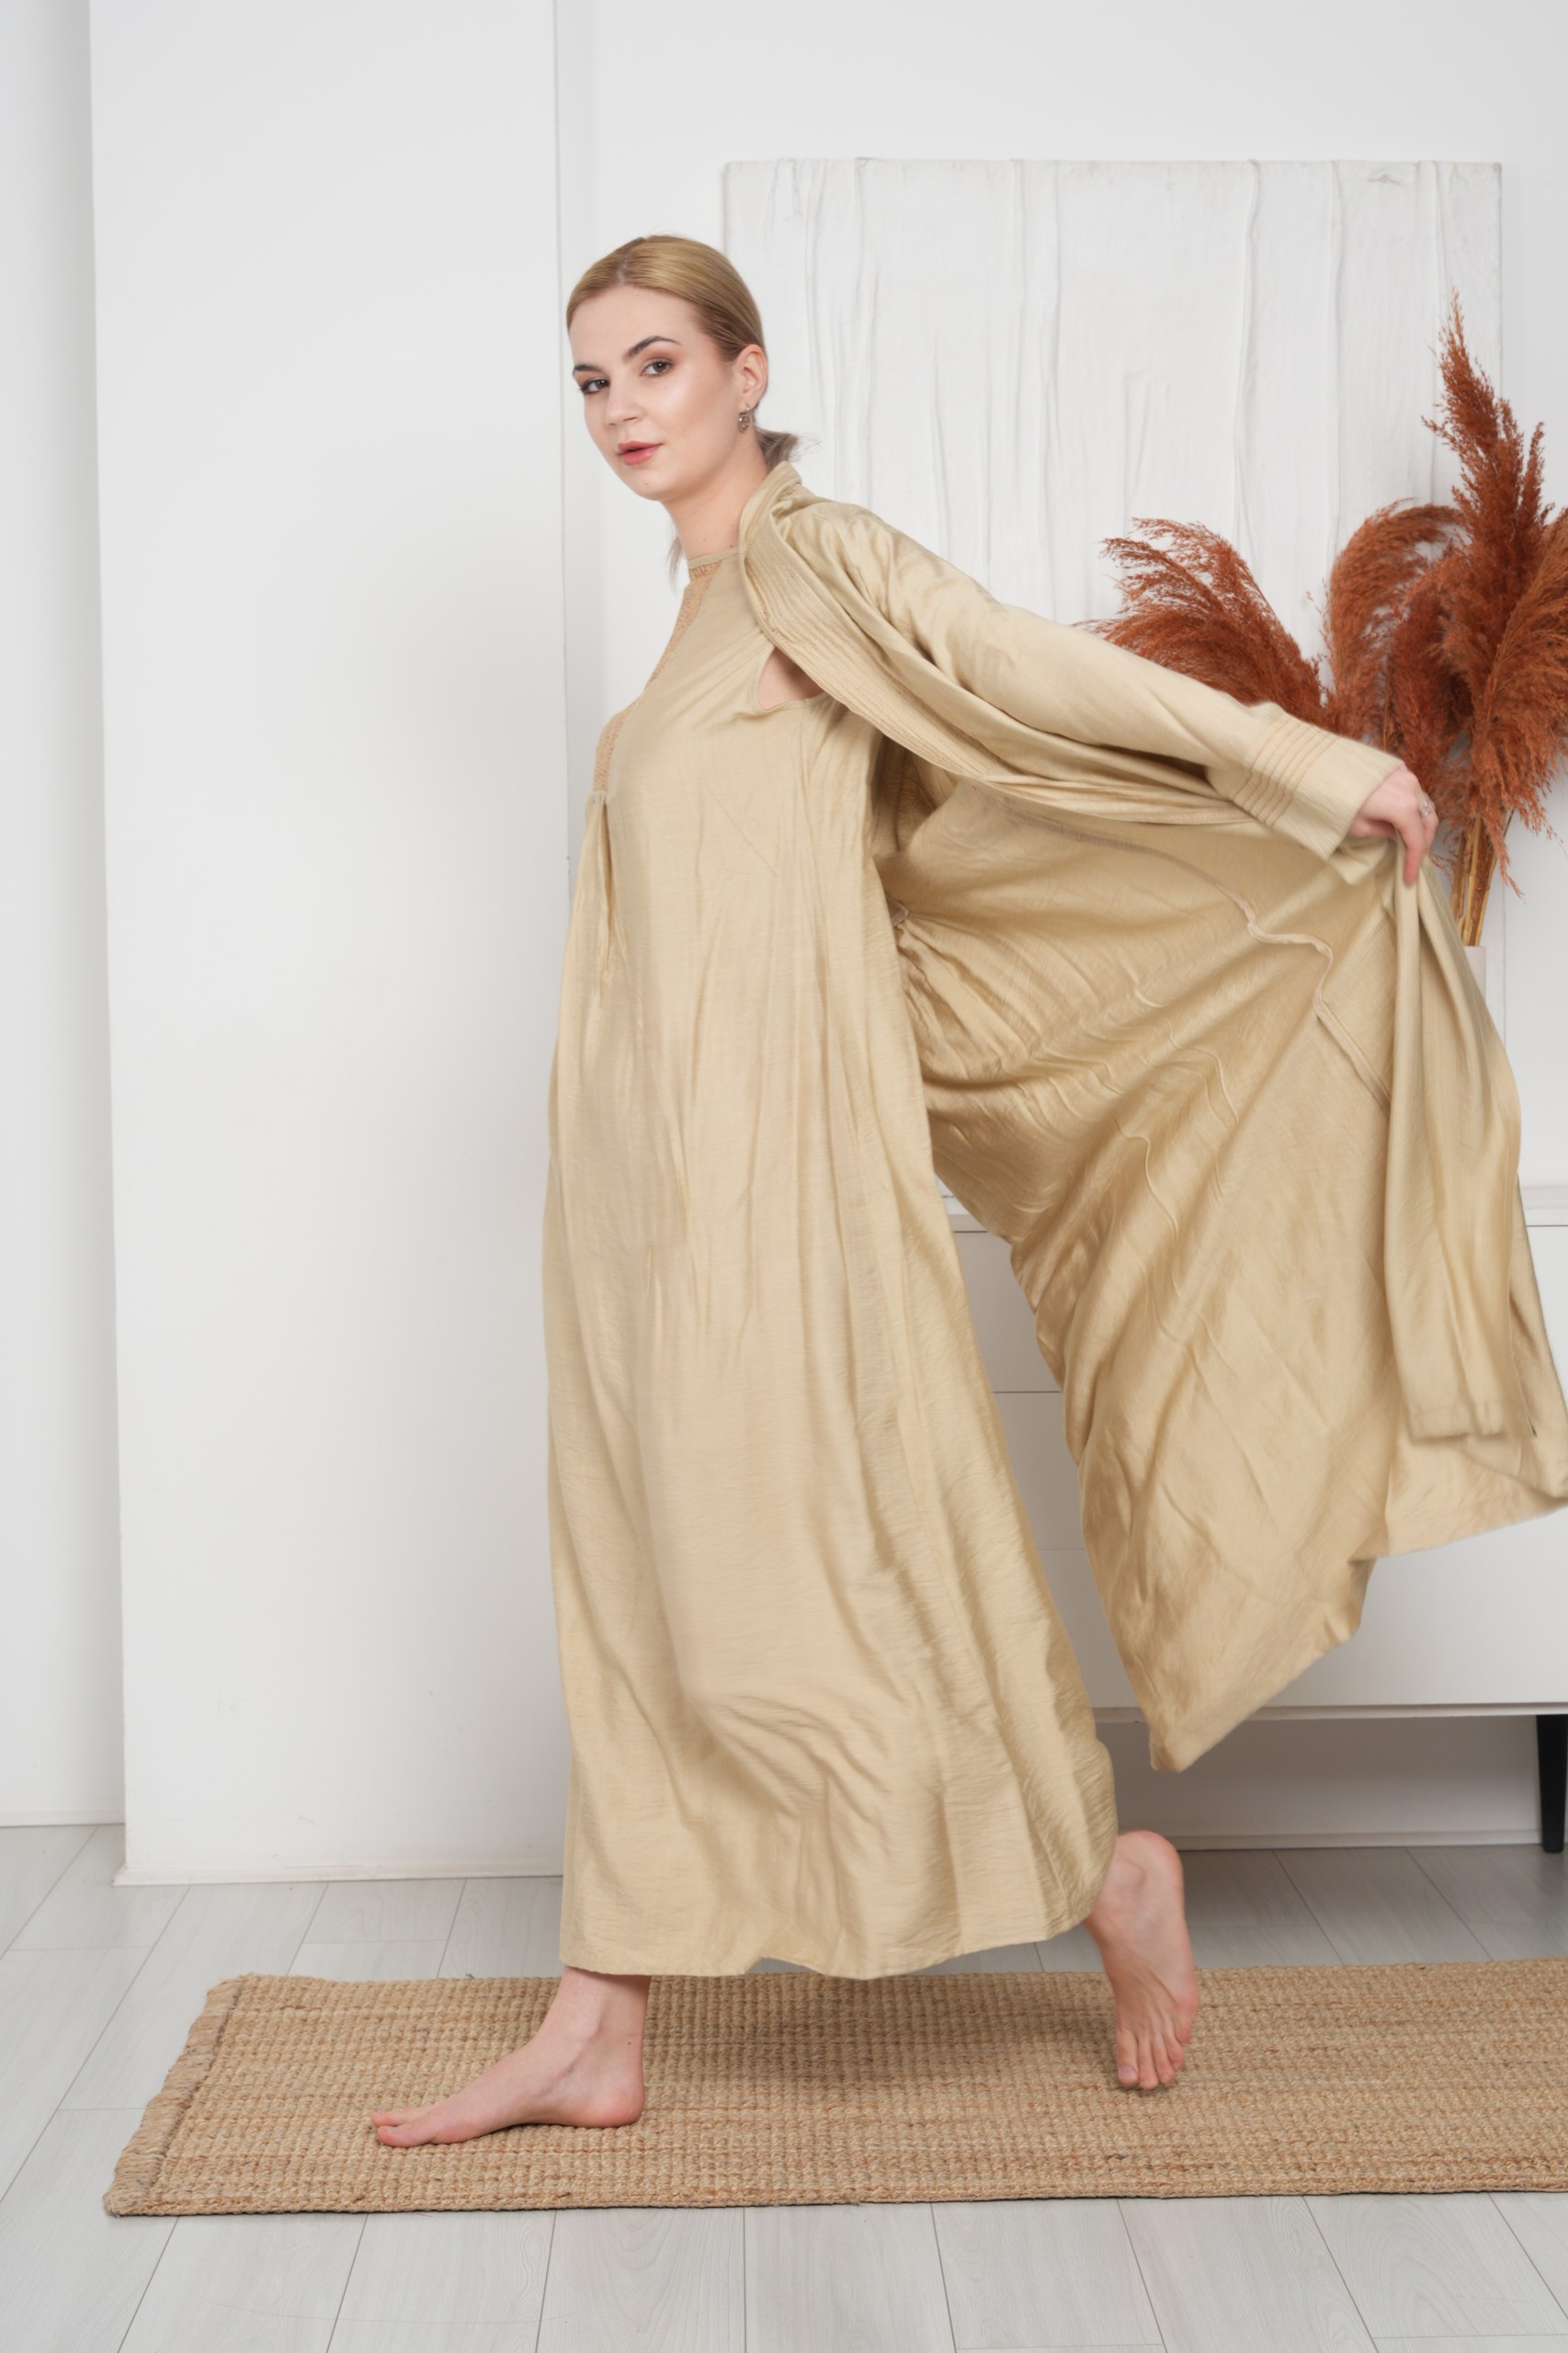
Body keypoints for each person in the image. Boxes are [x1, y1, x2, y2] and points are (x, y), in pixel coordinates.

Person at [371, 233, 1460, 2149]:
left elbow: (1025, 665)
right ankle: (599, 2019)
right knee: (633, 1564)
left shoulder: (817, 561)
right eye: (591, 381)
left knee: (835, 1549)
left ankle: (1101, 1868)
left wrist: (1302, 762)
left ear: (746, 370)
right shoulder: (703, 609)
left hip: (777, 1167)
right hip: (633, 1185)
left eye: (654, 364)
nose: (620, 409)